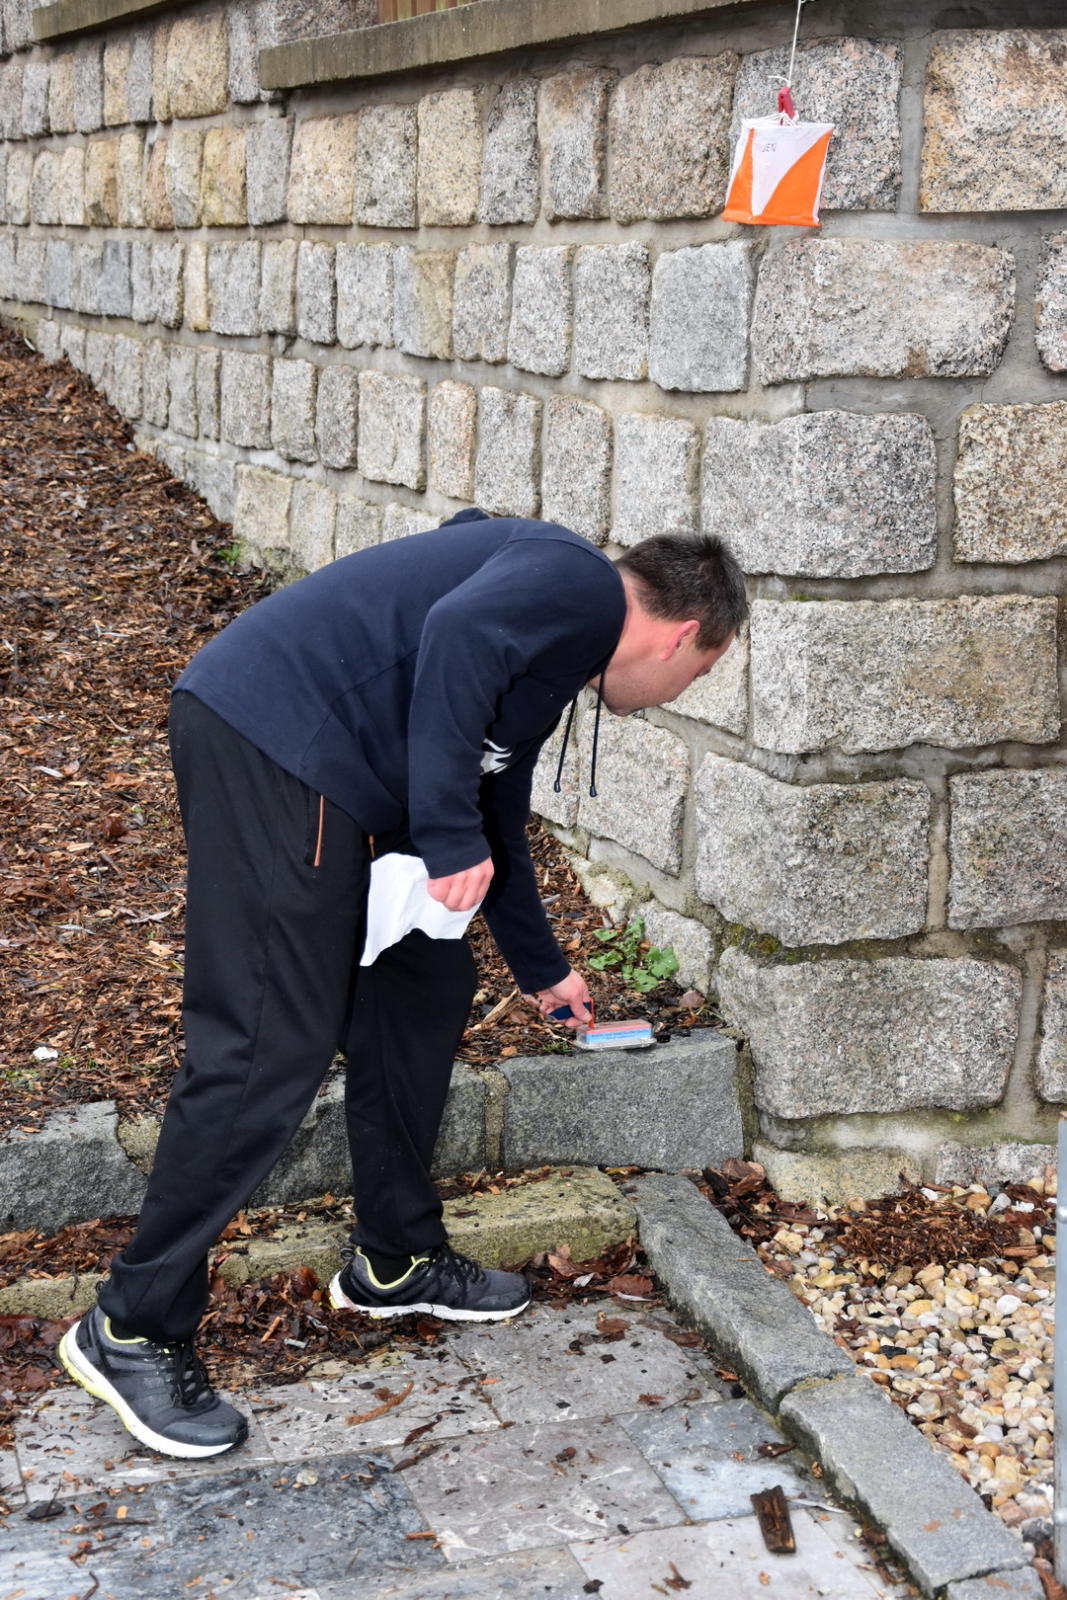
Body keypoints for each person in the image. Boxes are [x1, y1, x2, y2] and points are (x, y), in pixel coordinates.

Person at [59, 508, 747, 1460]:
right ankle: (131, 1326)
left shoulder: (552, 644)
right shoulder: (577, 584)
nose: (678, 693)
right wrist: (448, 836)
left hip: (340, 778)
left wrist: (542, 965)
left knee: (421, 988)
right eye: (697, 674)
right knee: (266, 1047)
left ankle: (394, 1257)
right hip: (278, 743)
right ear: (682, 635)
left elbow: (494, 802)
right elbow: (454, 639)